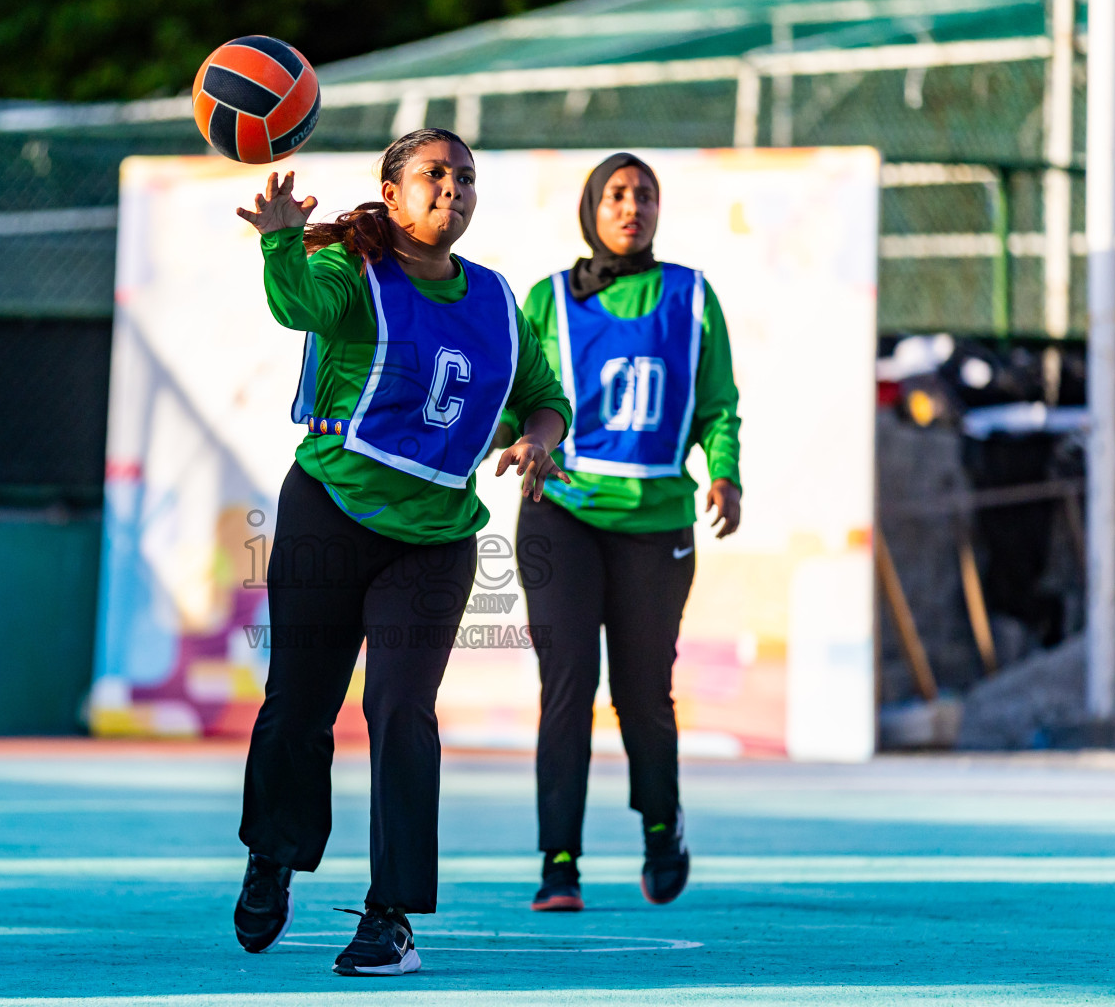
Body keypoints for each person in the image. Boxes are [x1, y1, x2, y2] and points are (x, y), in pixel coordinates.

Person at [232, 129, 571, 976]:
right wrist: (280, 237)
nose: (450, 187)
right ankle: (273, 855)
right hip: (330, 511)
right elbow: (298, 306)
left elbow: (546, 398)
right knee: (300, 706)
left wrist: (539, 440)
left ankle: (391, 917)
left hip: (435, 540)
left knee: (400, 711)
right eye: (432, 174)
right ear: (392, 192)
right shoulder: (355, 270)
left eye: (464, 177)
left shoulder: (497, 301)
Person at [512, 153, 741, 912]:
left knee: (644, 693)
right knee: (566, 687)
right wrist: (516, 441)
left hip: (657, 521)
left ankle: (659, 825)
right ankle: (559, 862)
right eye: (616, 194)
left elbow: (718, 405)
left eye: (644, 194)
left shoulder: (692, 295)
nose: (631, 206)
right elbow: (522, 396)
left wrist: (725, 472)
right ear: (591, 207)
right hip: (561, 512)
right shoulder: (546, 298)